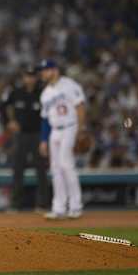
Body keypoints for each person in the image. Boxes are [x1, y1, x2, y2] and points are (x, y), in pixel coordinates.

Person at [37, 59, 87, 220]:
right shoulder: (45, 93)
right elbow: (44, 119)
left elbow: (80, 107)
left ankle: (75, 207)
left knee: (66, 165)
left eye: (46, 69)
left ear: (55, 70)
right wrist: (44, 140)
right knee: (55, 169)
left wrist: (80, 130)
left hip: (70, 127)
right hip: (54, 131)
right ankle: (59, 208)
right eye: (43, 70)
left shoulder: (69, 85)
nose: (43, 73)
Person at [1, 65, 49, 212]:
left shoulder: (43, 93)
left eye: (32, 76)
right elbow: (3, 107)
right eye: (27, 76)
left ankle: (42, 204)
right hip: (20, 135)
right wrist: (9, 122)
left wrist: (45, 137)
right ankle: (15, 204)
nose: (30, 79)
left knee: (41, 169)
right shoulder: (16, 93)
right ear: (23, 78)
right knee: (17, 169)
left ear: (36, 77)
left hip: (37, 135)